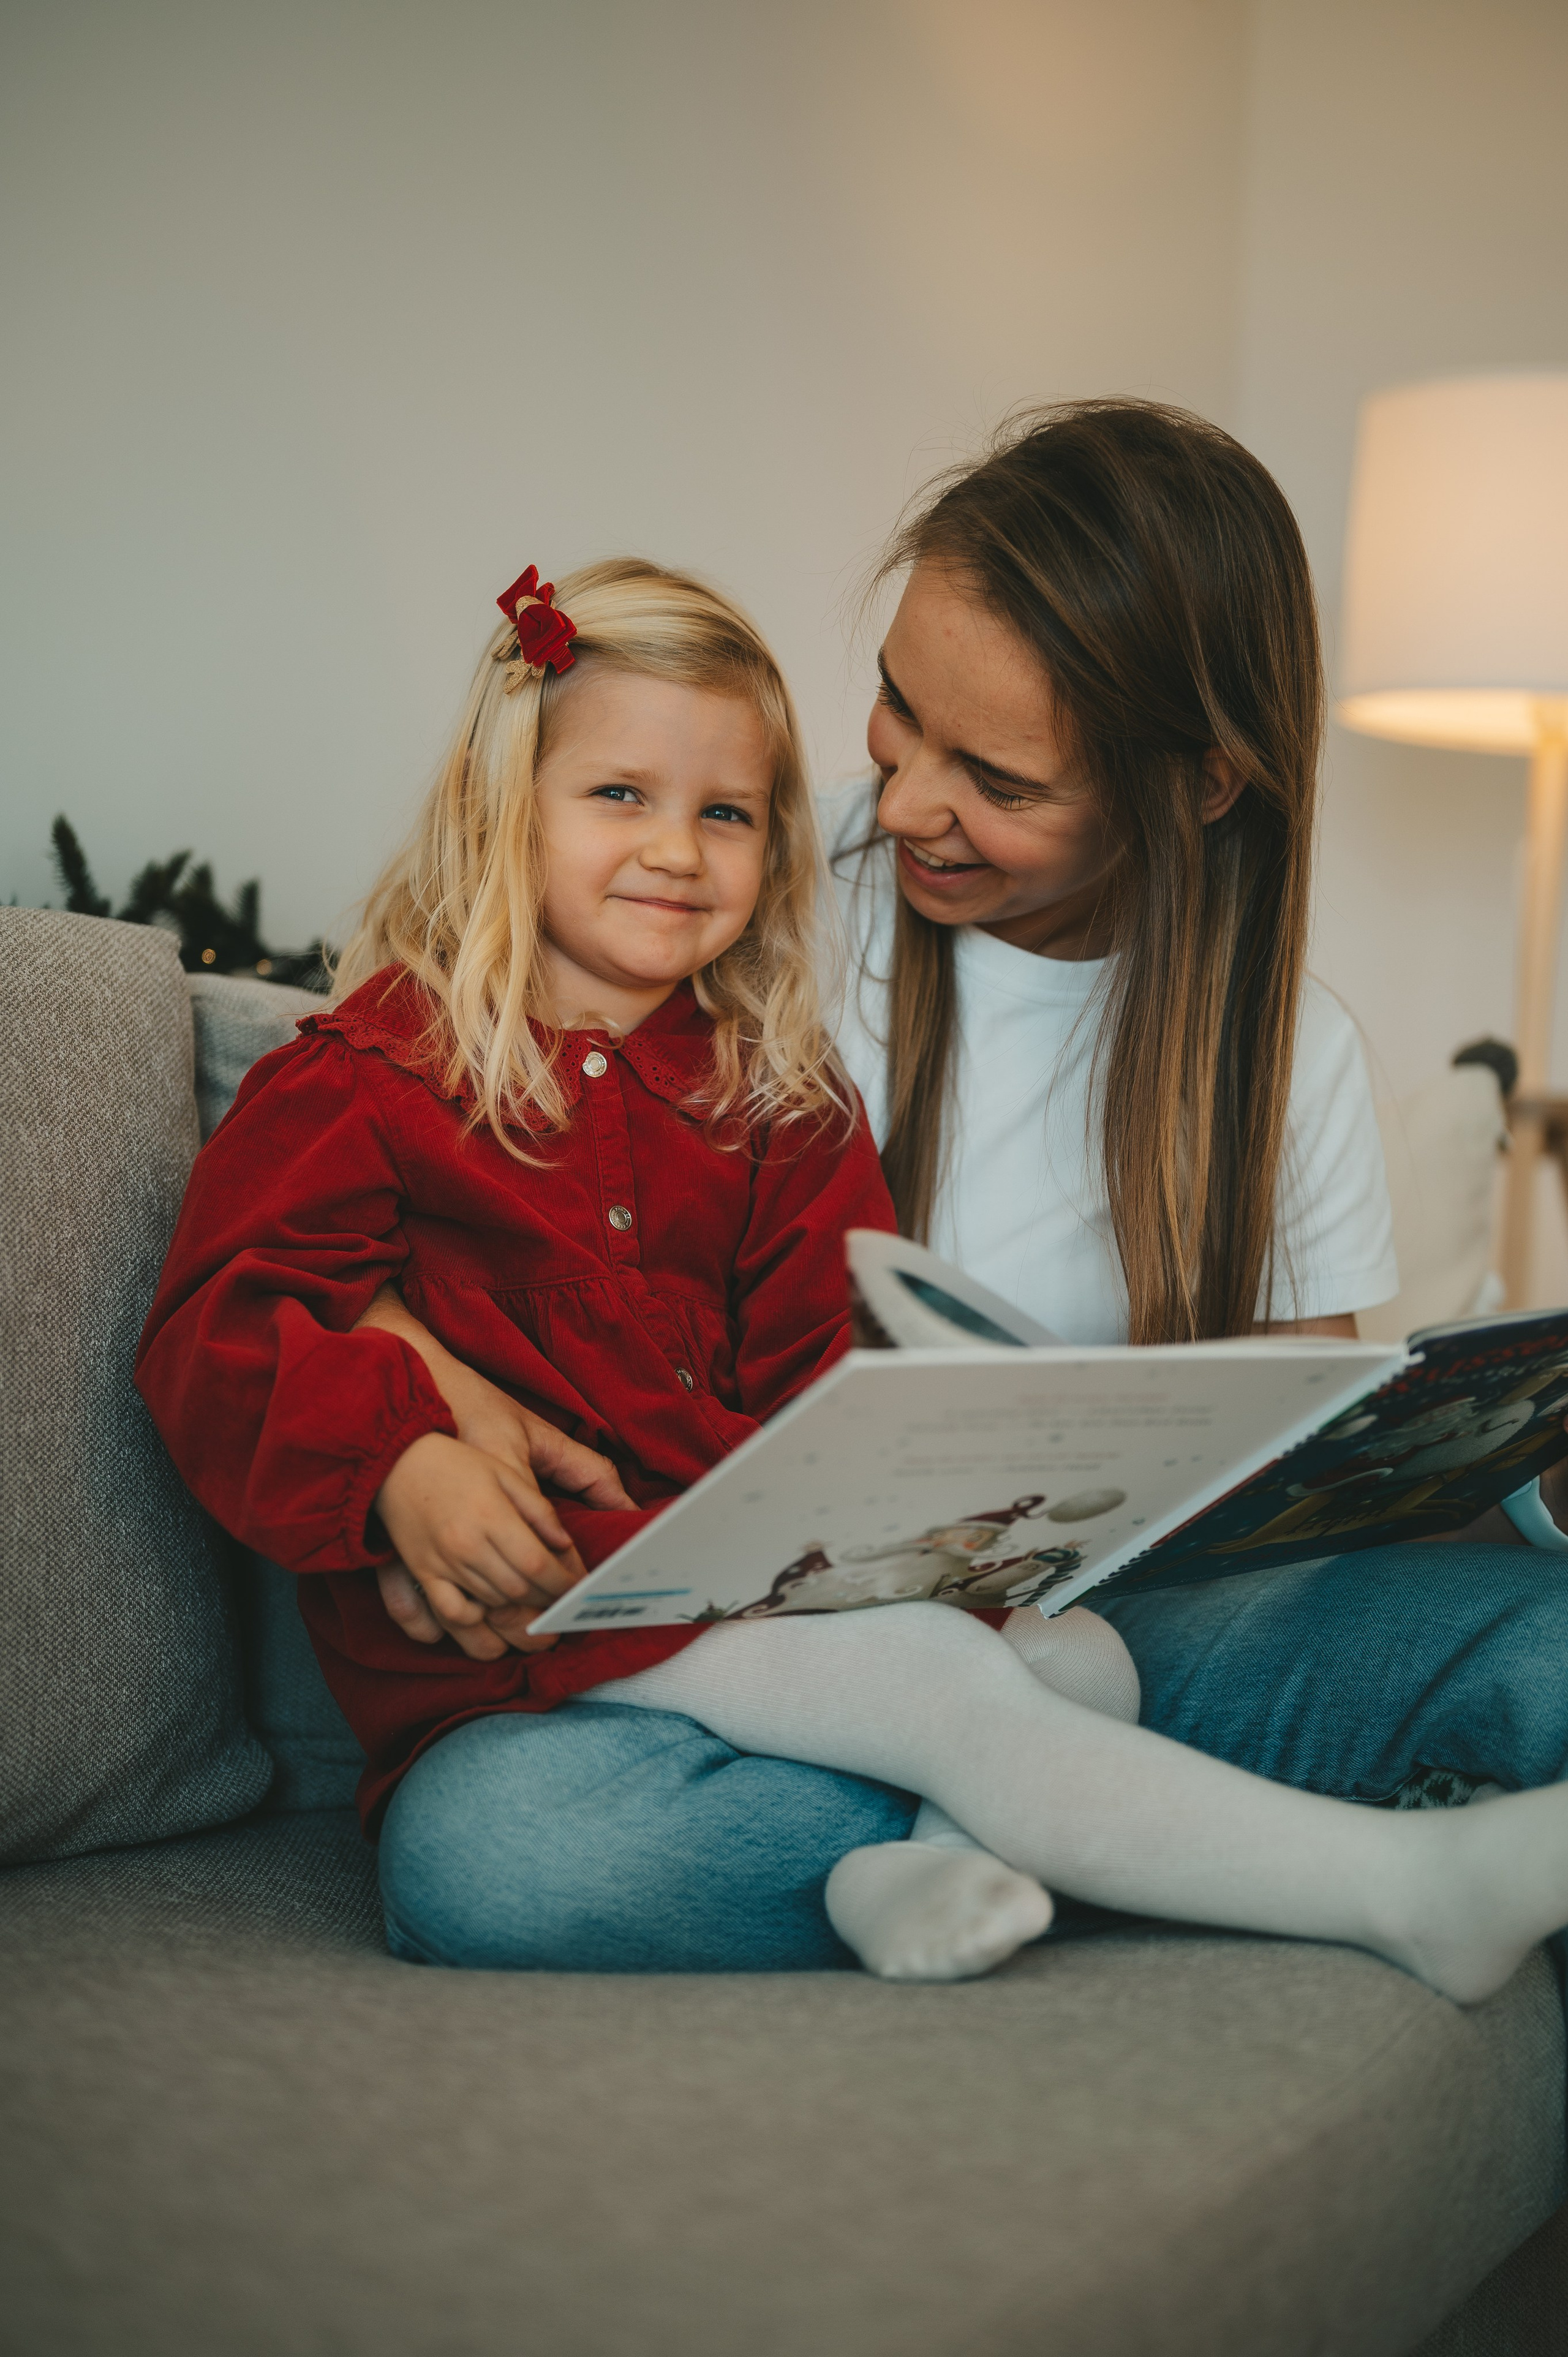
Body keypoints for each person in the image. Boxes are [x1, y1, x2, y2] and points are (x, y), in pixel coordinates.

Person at [137, 546, 1568, 1999]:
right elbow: (222, 1320)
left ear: (1188, 787)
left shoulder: (780, 1102)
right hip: (535, 1657)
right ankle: (1397, 1886)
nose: (680, 850)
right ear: (497, 807)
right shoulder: (368, 1075)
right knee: (559, 1828)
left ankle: (911, 1863)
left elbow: (830, 1384)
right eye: (619, 797)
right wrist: (400, 1454)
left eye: (728, 815)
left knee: (1076, 1664)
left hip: (761, 1610)